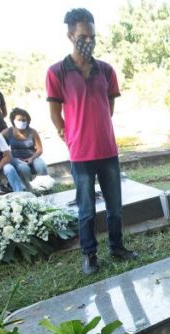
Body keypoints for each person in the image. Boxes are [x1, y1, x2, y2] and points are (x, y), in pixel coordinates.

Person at [46, 8, 138, 275]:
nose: (88, 41)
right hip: (80, 155)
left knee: (115, 207)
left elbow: (108, 107)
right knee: (86, 209)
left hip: (107, 150)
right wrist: (70, 135)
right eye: (83, 36)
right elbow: (55, 113)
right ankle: (89, 255)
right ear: (70, 36)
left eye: (92, 36)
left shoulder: (106, 70)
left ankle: (117, 247)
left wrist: (97, 129)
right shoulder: (57, 72)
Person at [2, 108, 49, 182]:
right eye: (19, 120)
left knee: (41, 165)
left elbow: (40, 150)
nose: (22, 122)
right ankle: (28, 188)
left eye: (24, 120)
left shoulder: (33, 132)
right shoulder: (7, 132)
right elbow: (0, 146)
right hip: (16, 159)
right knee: (24, 169)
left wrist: (32, 158)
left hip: (32, 157)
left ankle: (44, 186)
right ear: (13, 120)